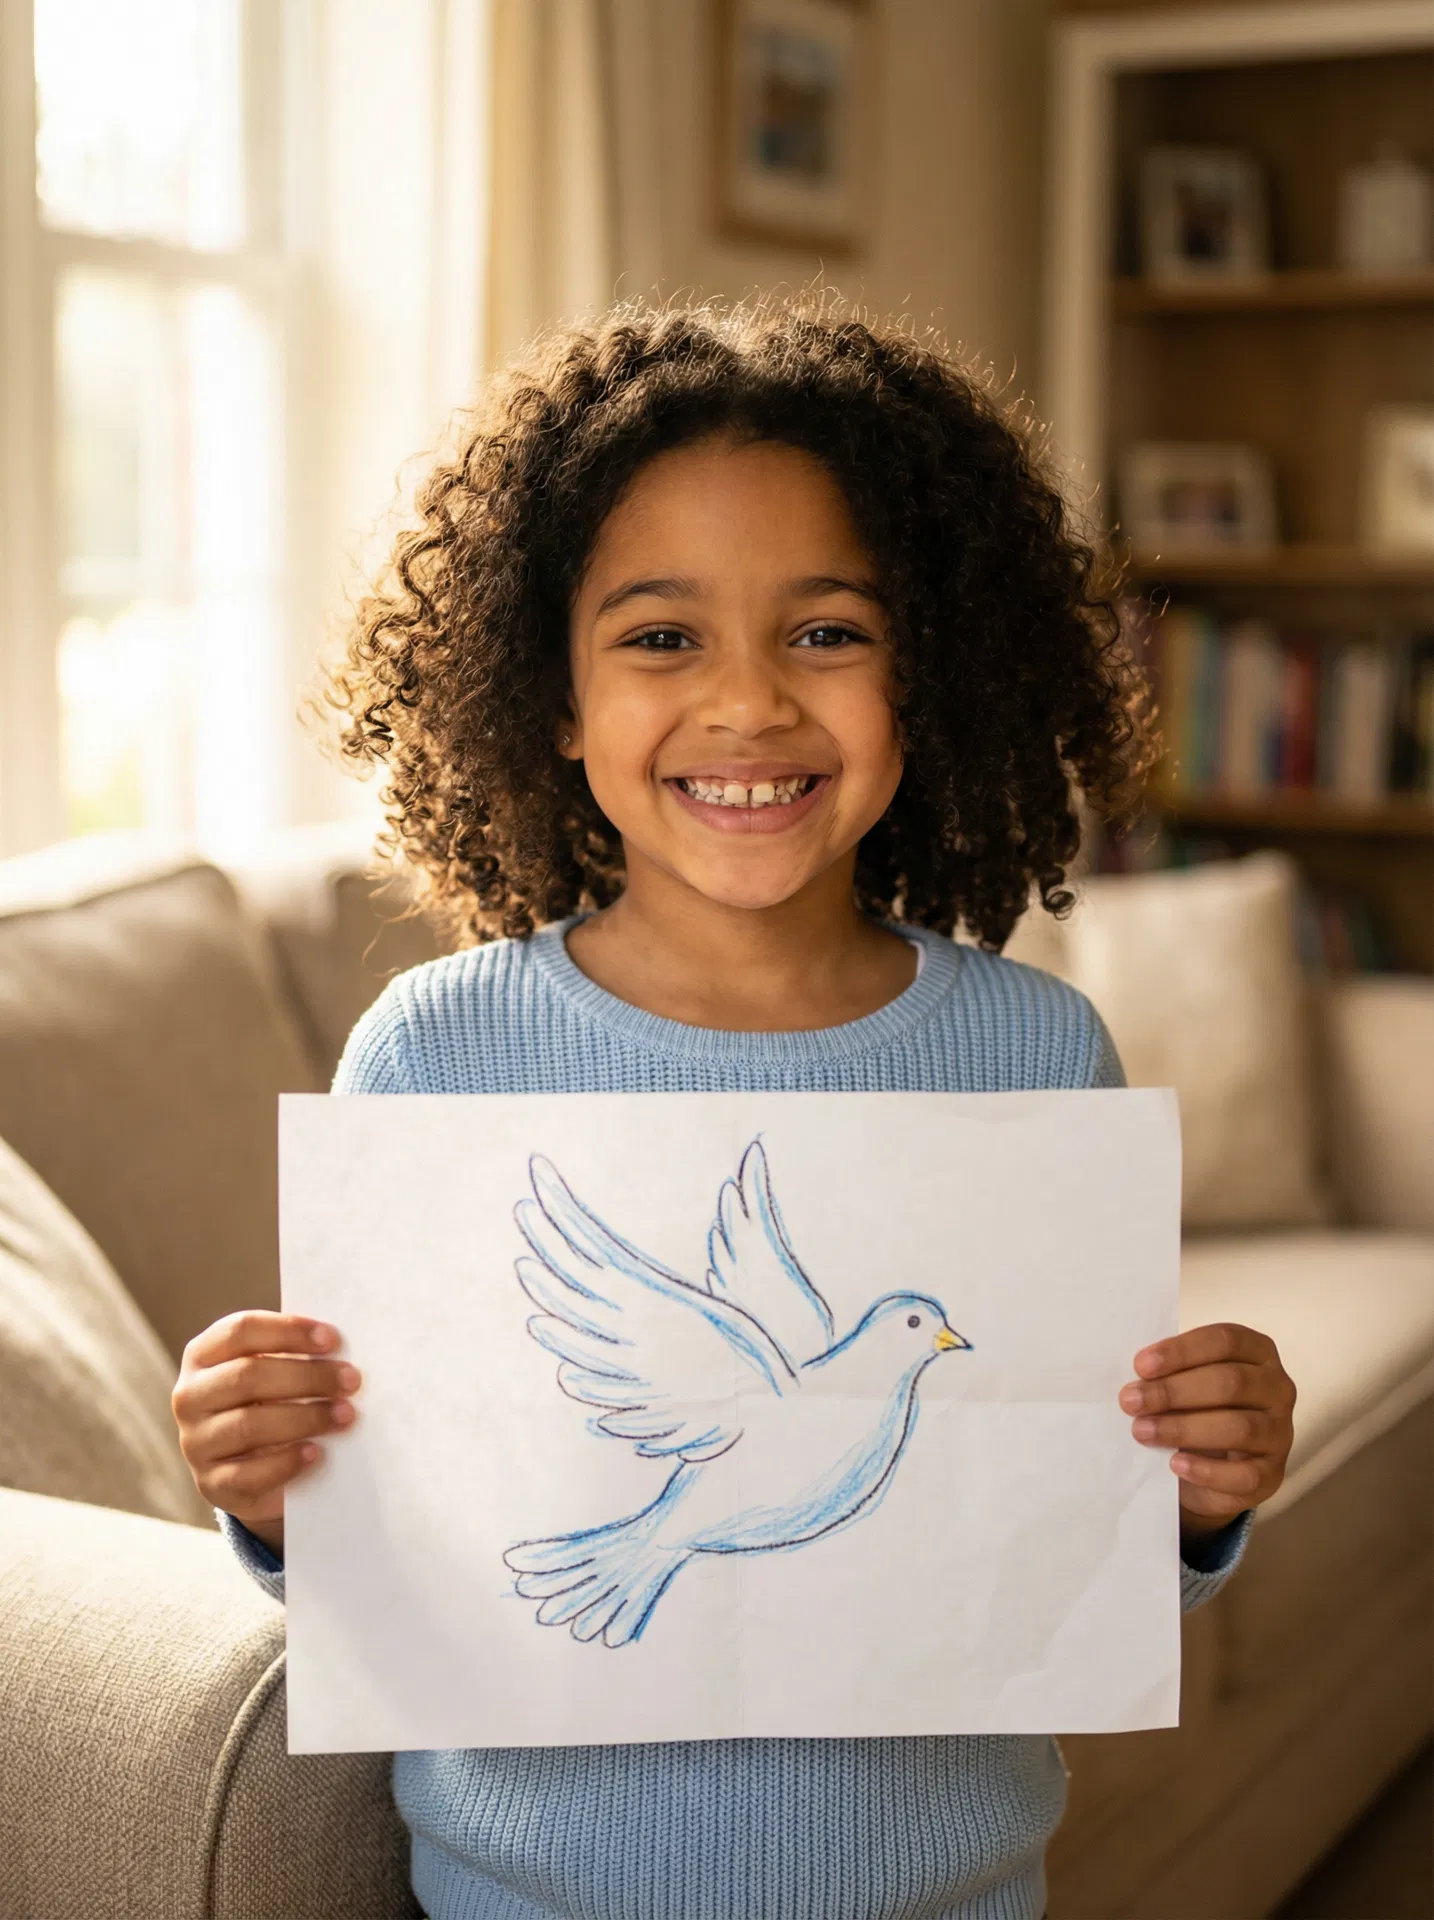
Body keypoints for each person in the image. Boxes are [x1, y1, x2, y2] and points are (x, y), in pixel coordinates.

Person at [171, 299, 1296, 1920]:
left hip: (951, 1891)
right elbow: (390, 1539)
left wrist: (1195, 1497)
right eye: (659, 635)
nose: (751, 704)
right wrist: (271, 1490)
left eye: (828, 631)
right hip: (520, 1897)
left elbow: (1057, 1544)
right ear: (552, 700)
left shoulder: (1040, 1060)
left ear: (932, 673)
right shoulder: (430, 1060)